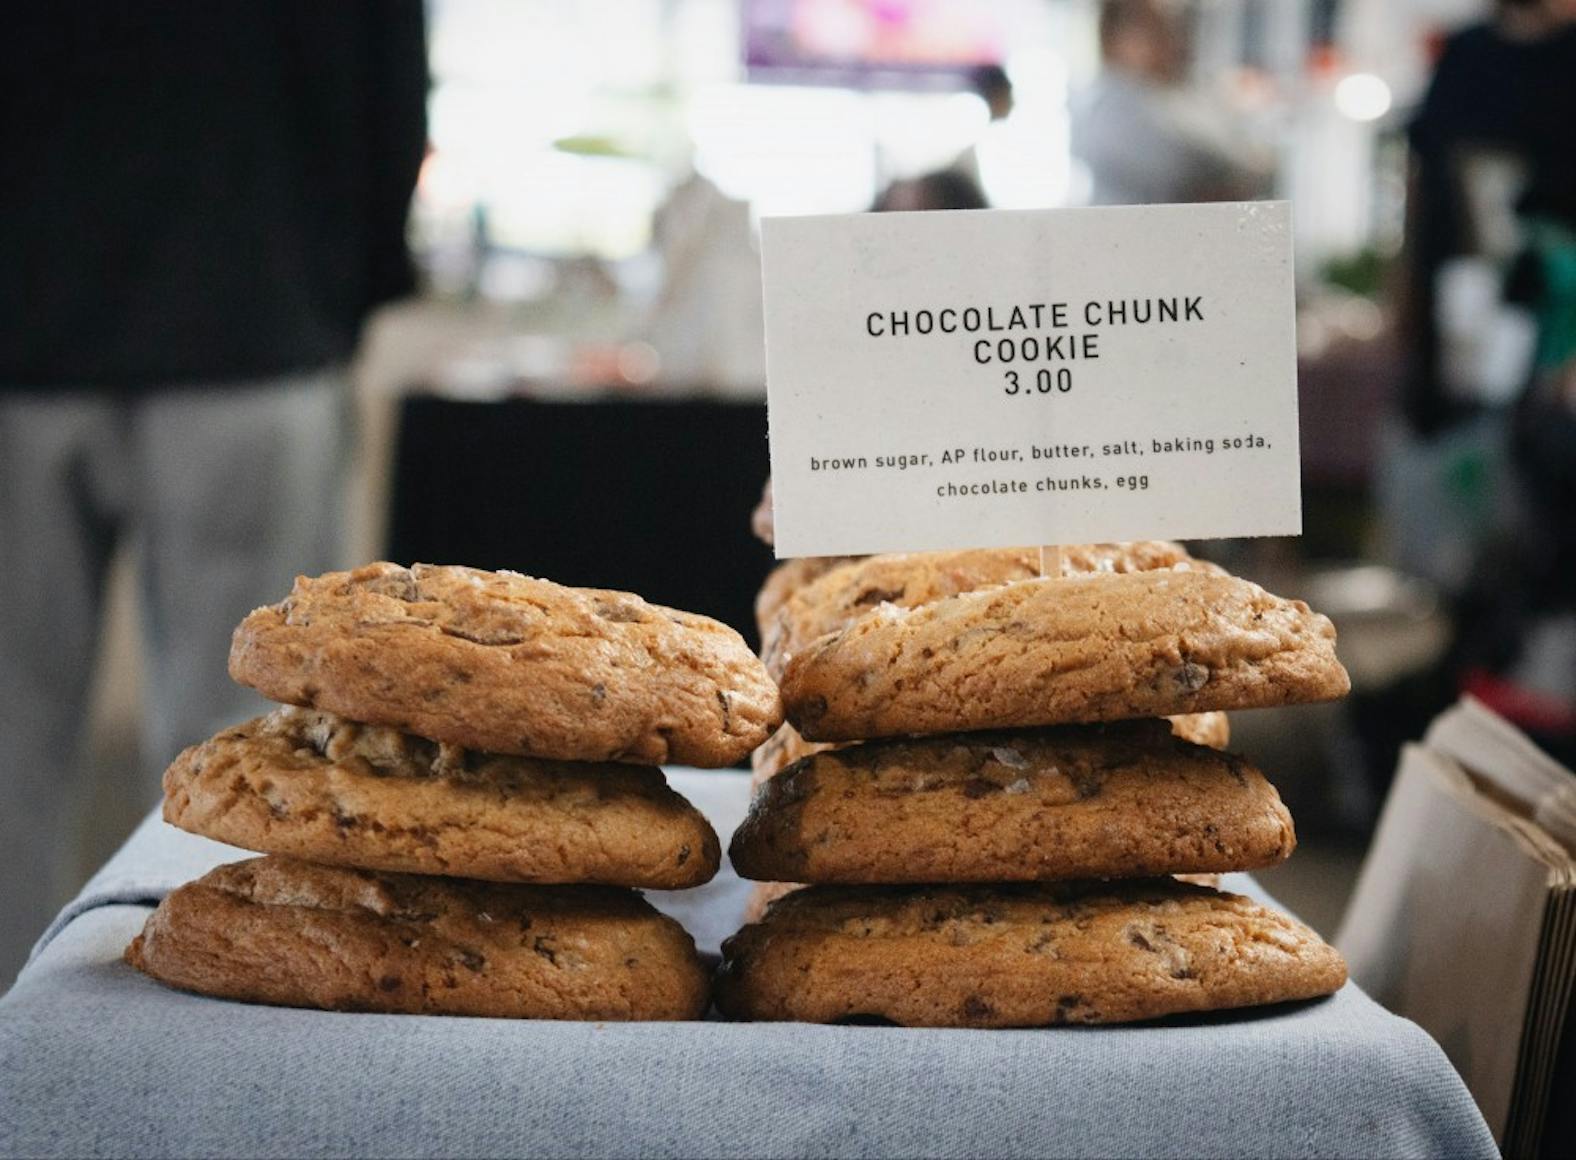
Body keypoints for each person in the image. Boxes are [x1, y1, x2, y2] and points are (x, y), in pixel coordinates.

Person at [0, 3, 428, 987]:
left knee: (11, 747)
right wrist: (333, 299)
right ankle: (211, 1062)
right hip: (249, 301)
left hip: (27, 306)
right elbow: (386, 84)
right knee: (247, 749)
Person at [1070, 0, 1270, 206]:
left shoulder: (1158, 94)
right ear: (1118, 39)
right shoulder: (1113, 102)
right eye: (1154, 33)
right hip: (1129, 228)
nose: (1169, 45)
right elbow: (1176, 164)